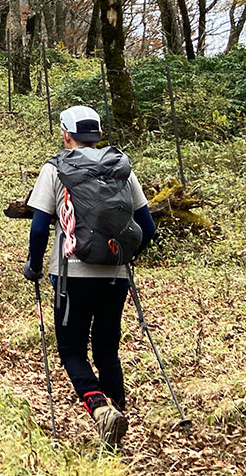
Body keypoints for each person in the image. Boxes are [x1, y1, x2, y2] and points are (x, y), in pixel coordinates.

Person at [22, 105, 156, 448]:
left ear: (66, 134)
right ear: (97, 134)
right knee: (107, 350)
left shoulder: (55, 168)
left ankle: (99, 409)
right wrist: (123, 258)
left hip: (71, 275)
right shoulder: (121, 167)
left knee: (71, 350)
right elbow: (148, 227)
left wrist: (34, 266)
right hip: (116, 275)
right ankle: (119, 415)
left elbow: (39, 226)